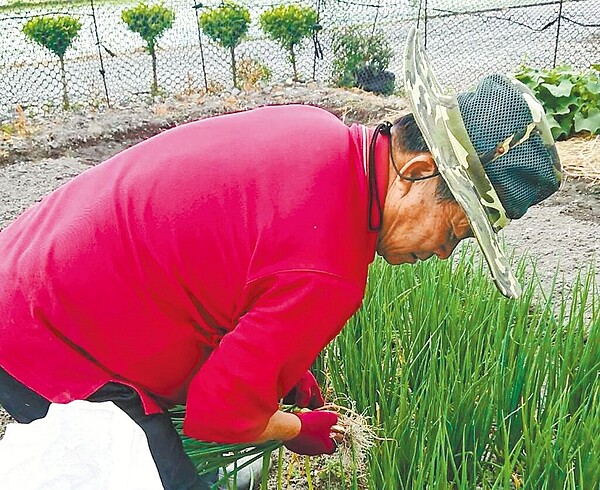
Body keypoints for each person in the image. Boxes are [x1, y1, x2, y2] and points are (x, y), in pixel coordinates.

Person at [0, 28, 561, 489]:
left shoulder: (318, 130)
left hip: (23, 269)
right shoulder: (331, 270)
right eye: (456, 231)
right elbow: (217, 415)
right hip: (54, 343)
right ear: (419, 171)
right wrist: (295, 428)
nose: (443, 254)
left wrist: (288, 373)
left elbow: (240, 270)